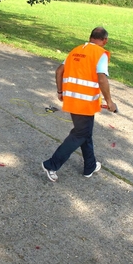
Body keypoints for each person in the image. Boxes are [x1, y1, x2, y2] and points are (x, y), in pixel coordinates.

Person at [41, 27, 117, 182]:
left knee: (85, 133)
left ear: (90, 37)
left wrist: (60, 92)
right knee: (80, 134)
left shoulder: (75, 50)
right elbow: (101, 78)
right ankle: (52, 164)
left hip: (72, 99)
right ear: (105, 40)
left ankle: (90, 166)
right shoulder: (100, 54)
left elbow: (58, 71)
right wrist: (109, 101)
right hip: (85, 103)